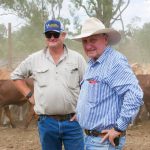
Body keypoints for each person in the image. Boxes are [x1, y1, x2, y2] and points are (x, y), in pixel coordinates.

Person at [11, 19, 86, 150]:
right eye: (48, 34)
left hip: (73, 121)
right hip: (47, 122)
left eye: (55, 34)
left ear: (63, 35)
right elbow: (16, 76)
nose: (52, 37)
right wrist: (29, 96)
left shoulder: (77, 58)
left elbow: (88, 85)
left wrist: (83, 110)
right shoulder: (34, 59)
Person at [72, 17, 143, 150]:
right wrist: (82, 112)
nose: (88, 45)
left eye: (93, 40)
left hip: (103, 142)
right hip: (91, 139)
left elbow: (134, 94)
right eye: (85, 41)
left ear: (105, 39)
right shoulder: (93, 63)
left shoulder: (114, 62)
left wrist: (118, 128)